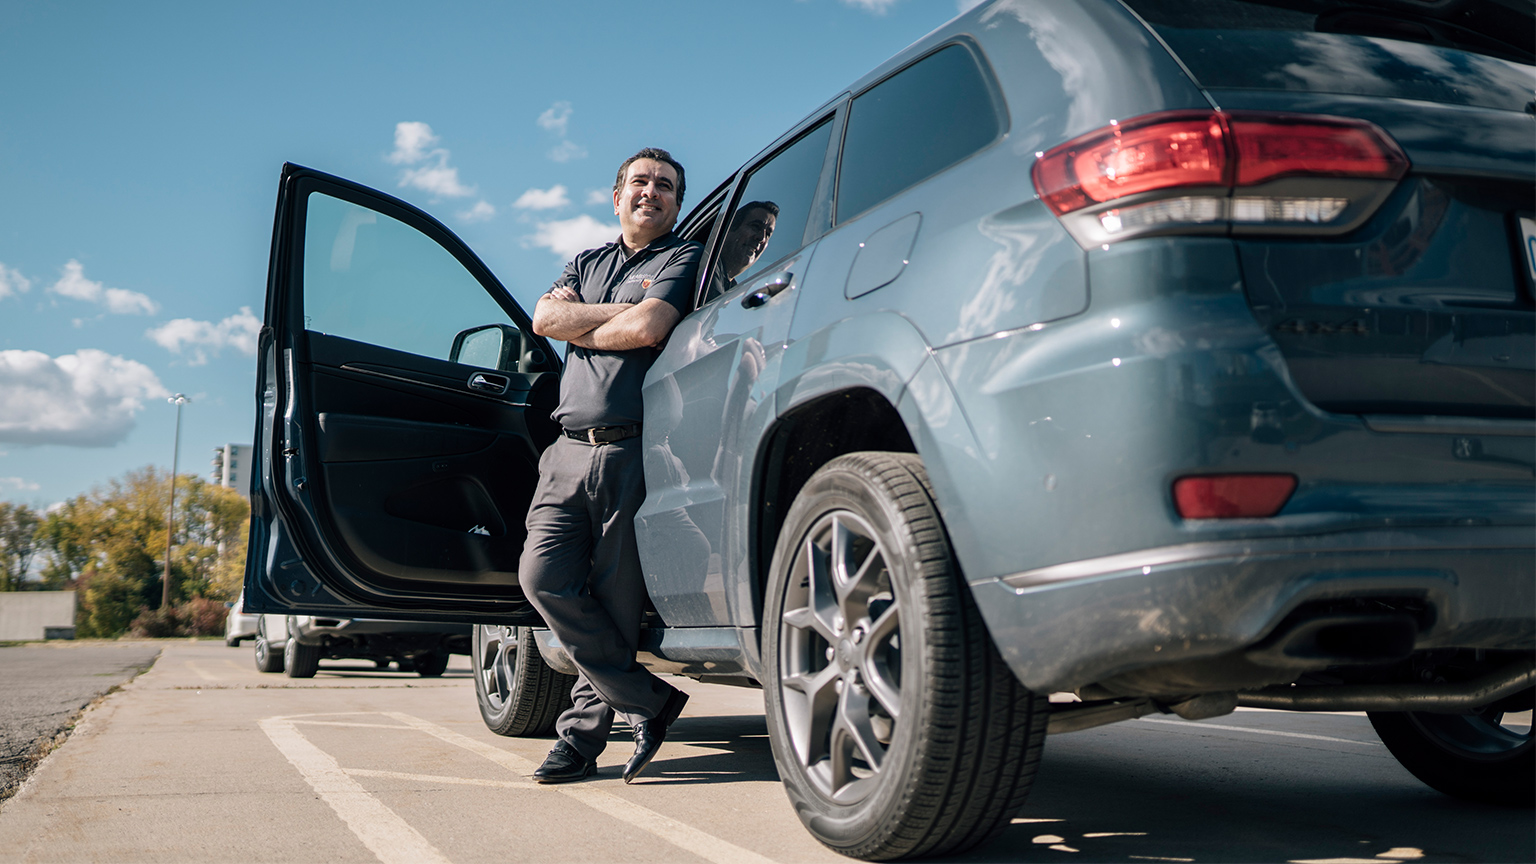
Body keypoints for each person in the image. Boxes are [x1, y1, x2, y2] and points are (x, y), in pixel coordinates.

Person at [521, 147, 703, 784]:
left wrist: (584, 327)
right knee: (540, 577)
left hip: (632, 452)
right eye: (640, 182)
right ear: (617, 194)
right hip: (567, 449)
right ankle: (650, 702)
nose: (651, 192)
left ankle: (579, 741)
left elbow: (652, 327)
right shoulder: (587, 261)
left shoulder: (682, 257)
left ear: (676, 203)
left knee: (615, 605)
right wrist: (608, 321)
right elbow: (544, 318)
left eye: (665, 186)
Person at [705, 200, 778, 301]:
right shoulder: (704, 265)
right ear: (730, 228)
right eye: (756, 226)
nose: (762, 238)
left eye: (768, 234)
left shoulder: (734, 292)